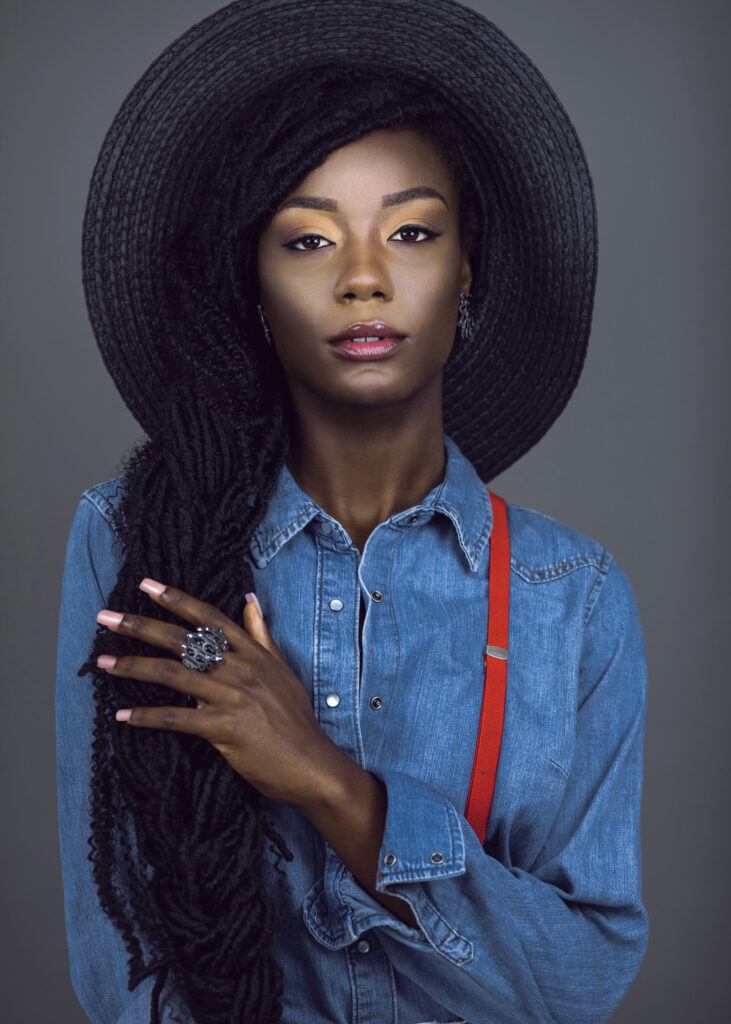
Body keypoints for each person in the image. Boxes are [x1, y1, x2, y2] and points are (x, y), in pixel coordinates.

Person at [55, 1, 649, 1022]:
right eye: (307, 241)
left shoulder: (574, 595)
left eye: (410, 232)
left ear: (465, 268)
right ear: (251, 281)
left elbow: (584, 974)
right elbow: (119, 961)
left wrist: (332, 787)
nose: (364, 278)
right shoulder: (132, 540)